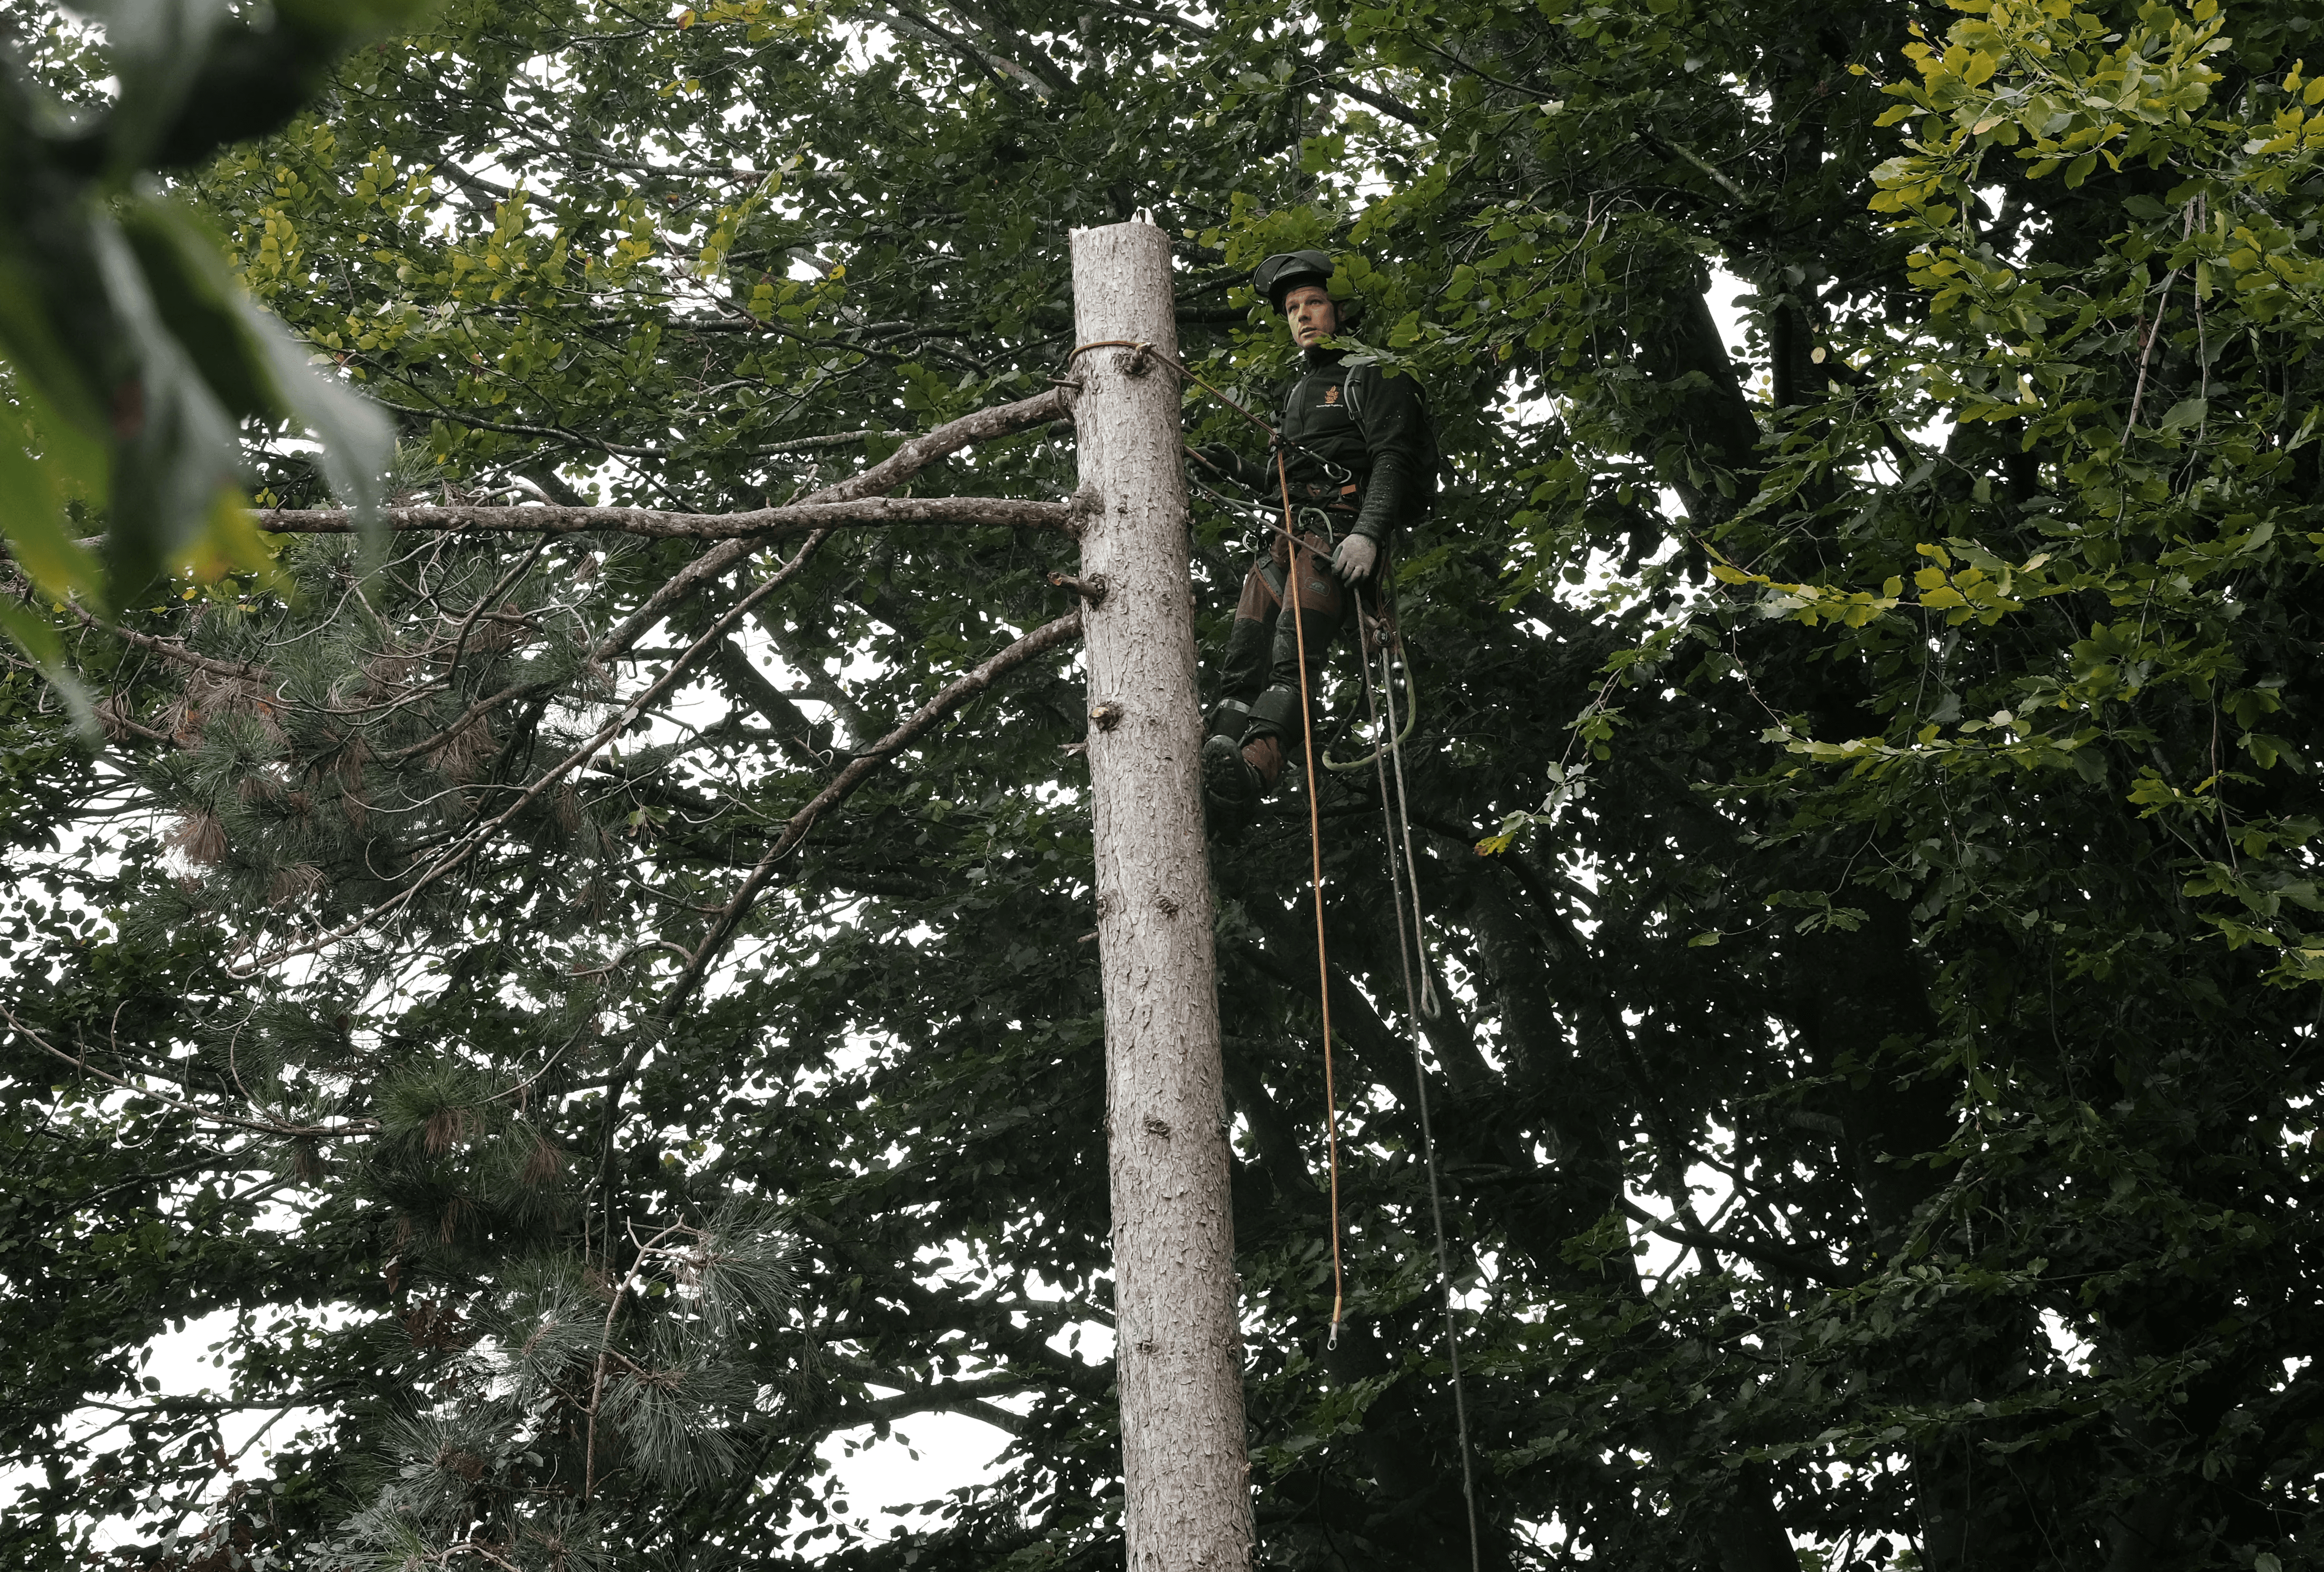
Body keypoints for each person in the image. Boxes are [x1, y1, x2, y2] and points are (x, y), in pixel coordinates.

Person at [1188, 249, 1435, 831]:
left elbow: (1392, 460)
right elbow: (1292, 478)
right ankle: (1213, 771)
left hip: (1336, 537)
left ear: (1340, 310)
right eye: (1293, 308)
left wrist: (1368, 536)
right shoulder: (1300, 392)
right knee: (1241, 660)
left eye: (1314, 303)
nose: (1302, 316)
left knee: (1291, 658)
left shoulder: (1372, 371)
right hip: (1283, 538)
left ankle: (1254, 770)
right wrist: (1242, 471)